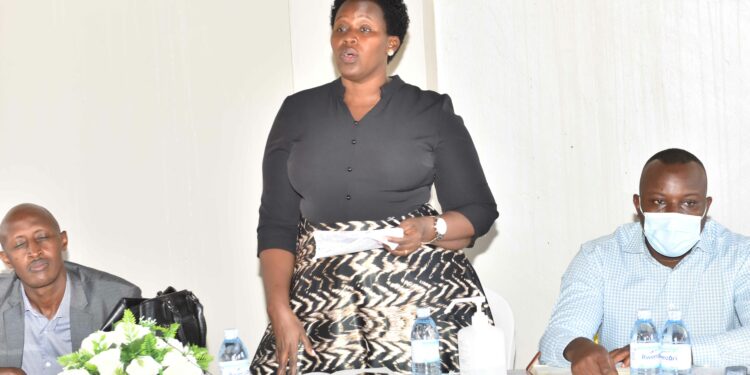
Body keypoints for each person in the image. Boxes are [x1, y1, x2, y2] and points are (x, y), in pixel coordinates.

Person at [251, 0, 498, 373]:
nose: (349, 37)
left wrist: (431, 229)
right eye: (341, 28)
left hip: (415, 299)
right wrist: (279, 308)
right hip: (322, 301)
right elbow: (276, 225)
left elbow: (478, 211)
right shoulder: (296, 112)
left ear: (391, 43)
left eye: (365, 29)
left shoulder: (430, 112)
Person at [539, 148, 750, 373]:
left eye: (689, 203)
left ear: (706, 207)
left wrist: (673, 353)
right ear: (638, 205)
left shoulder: (740, 256)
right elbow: (557, 336)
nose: (673, 215)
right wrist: (578, 348)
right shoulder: (598, 257)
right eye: (659, 201)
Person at [0, 203, 141, 375]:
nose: (34, 251)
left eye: (42, 237)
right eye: (20, 244)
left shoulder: (115, 299)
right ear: (6, 258)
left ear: (63, 241)